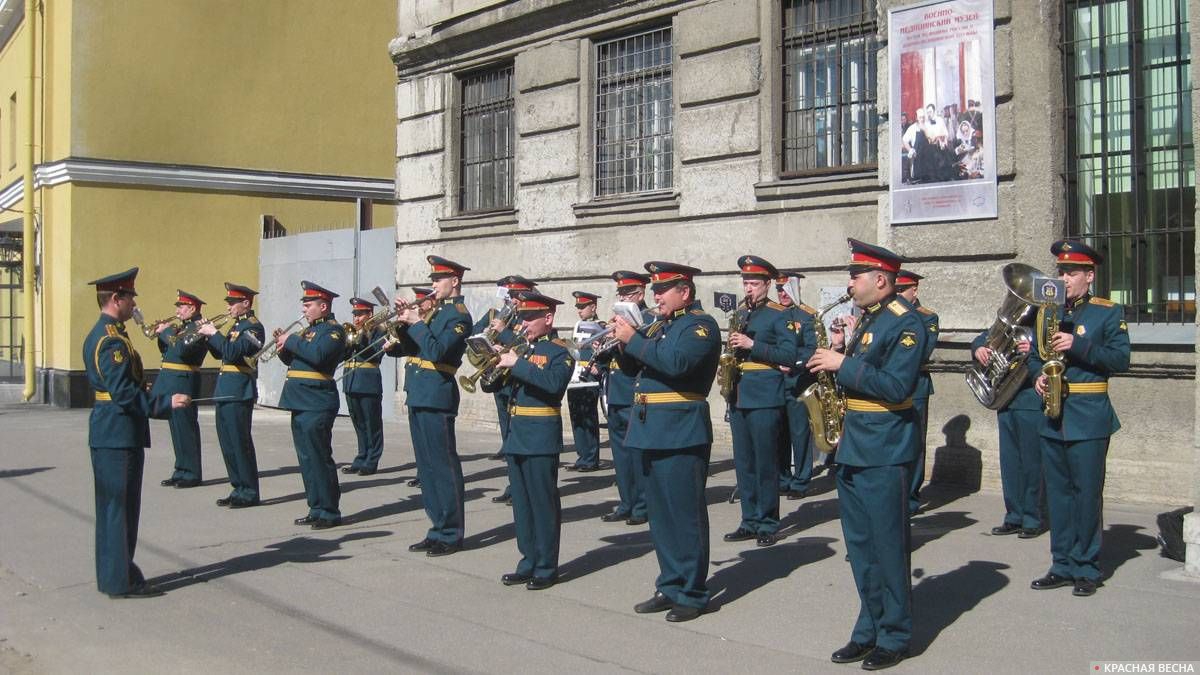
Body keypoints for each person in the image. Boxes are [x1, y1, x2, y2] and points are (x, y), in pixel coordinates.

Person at [807, 239, 926, 670]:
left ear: (881, 279)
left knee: (888, 545)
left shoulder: (908, 323)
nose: (850, 283)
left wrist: (843, 365)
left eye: (855, 276)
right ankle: (868, 627)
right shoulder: (870, 318)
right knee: (860, 546)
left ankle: (895, 635)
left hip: (885, 445)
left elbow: (896, 387)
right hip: (855, 443)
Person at [610, 261, 721, 623]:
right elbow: (634, 371)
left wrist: (635, 340)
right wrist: (620, 346)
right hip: (650, 428)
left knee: (683, 514)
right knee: (659, 515)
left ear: (684, 292)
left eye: (662, 290)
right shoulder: (659, 325)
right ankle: (670, 583)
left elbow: (677, 364)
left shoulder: (700, 325)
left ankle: (692, 591)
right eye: (654, 290)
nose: (655, 296)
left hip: (680, 429)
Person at [1029, 239, 1130, 597]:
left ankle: (1086, 567)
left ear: (1090, 275)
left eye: (1071, 272)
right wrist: (1037, 376)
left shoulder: (1107, 312)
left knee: (1086, 494)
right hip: (1053, 415)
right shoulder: (1047, 311)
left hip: (1088, 416)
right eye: (1061, 271)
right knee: (1057, 495)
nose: (1064, 278)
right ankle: (1062, 564)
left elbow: (1120, 360)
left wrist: (1079, 346)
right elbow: (1035, 355)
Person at [83, 267, 190, 598]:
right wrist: (164, 403)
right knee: (120, 509)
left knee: (115, 509)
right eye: (130, 297)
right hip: (117, 432)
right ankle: (121, 581)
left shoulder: (109, 333)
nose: (133, 303)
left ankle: (115, 575)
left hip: (113, 430)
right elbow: (123, 394)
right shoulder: (109, 340)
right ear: (117, 299)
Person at [487, 291, 573, 590]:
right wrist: (494, 362)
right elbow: (492, 386)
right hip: (516, 432)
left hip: (540, 434)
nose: (523, 323)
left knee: (542, 503)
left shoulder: (560, 351)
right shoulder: (520, 348)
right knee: (521, 506)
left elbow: (553, 385)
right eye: (521, 317)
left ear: (548, 318)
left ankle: (547, 567)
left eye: (529, 317)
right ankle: (528, 561)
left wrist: (517, 364)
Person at [393, 255, 474, 557]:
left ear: (454, 281)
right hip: (420, 392)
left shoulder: (458, 316)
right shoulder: (436, 313)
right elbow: (411, 347)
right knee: (426, 467)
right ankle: (436, 527)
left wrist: (416, 323)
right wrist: (405, 323)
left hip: (437, 393)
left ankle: (452, 532)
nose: (433, 285)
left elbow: (437, 350)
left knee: (443, 466)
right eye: (432, 279)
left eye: (438, 279)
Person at [723, 255, 799, 548]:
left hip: (765, 394)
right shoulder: (741, 314)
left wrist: (753, 345)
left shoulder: (780, 314)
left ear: (767, 284)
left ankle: (768, 522)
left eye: (754, 283)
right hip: (740, 393)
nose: (748, 288)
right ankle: (749, 520)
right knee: (744, 463)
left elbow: (790, 355)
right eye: (745, 283)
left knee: (766, 461)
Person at [277, 281, 346, 530]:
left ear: (323, 306)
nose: (304, 310)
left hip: (317, 401)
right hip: (300, 400)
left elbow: (318, 356)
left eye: (309, 306)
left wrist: (292, 341)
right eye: (304, 306)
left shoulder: (334, 332)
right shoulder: (307, 332)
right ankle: (315, 506)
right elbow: (296, 359)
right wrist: (284, 347)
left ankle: (329, 510)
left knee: (319, 456)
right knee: (306, 458)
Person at [594, 270, 655, 525]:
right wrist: (602, 347)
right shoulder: (616, 320)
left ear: (640, 294)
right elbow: (609, 360)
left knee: (638, 452)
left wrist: (625, 337)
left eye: (626, 293)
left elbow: (646, 354)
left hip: (637, 393)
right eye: (619, 293)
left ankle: (643, 505)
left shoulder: (650, 319)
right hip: (616, 392)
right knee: (620, 454)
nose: (621, 296)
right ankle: (626, 502)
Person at [972, 324, 1044, 539]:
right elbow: (985, 336)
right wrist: (978, 348)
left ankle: (1032, 517)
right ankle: (1014, 515)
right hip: (1006, 399)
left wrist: (1032, 351)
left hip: (1030, 399)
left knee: (1032, 462)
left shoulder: (1044, 323)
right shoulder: (1011, 323)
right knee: (1010, 462)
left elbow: (1053, 355)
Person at [199, 282, 266, 508]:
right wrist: (207, 337)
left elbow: (234, 353)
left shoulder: (254, 328)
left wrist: (214, 333)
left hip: (239, 390)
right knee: (227, 443)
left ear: (245, 303)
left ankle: (249, 491)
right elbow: (222, 354)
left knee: (240, 442)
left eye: (232, 303)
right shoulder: (237, 326)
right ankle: (238, 487)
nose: (228, 308)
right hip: (226, 389)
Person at [474, 275, 536, 504]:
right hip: (500, 382)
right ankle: (513, 486)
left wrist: (504, 333)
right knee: (508, 438)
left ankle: (522, 488)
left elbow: (529, 348)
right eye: (509, 296)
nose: (511, 301)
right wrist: (489, 346)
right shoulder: (495, 316)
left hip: (518, 385)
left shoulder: (530, 319)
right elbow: (474, 336)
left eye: (516, 297)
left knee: (520, 440)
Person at [153, 290, 209, 489]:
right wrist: (162, 335)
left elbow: (183, 350)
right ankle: (181, 469)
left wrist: (166, 332)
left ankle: (192, 472)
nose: (177, 310)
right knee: (176, 428)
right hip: (172, 380)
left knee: (186, 427)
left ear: (192, 308)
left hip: (184, 381)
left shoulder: (199, 327)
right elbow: (169, 351)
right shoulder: (182, 328)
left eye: (181, 306)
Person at [895, 269, 938, 515]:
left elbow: (921, 353)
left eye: (903, 290)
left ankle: (911, 495)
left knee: (915, 441)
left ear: (915, 290)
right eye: (896, 290)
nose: (899, 295)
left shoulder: (927, 318)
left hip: (916, 386)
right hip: (890, 387)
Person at [774, 271, 819, 499]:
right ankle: (783, 478)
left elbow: (812, 348)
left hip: (797, 381)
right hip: (775, 383)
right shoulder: (774, 314)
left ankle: (801, 480)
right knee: (779, 433)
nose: (781, 293)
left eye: (785, 289)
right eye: (778, 290)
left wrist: (793, 363)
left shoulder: (807, 316)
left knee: (799, 433)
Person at [340, 297, 388, 476]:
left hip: (368, 382)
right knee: (358, 423)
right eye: (355, 314)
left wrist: (362, 340)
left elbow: (376, 355)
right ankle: (361, 457)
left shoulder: (379, 330)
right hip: (351, 381)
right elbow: (344, 355)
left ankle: (372, 460)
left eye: (360, 314)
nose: (357, 319)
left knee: (371, 423)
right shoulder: (352, 331)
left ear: (370, 314)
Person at [567, 290, 602, 472]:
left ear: (593, 307)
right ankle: (582, 456)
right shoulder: (577, 325)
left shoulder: (601, 326)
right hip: (574, 375)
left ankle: (591, 458)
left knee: (588, 416)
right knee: (576, 417)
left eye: (583, 307)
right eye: (578, 307)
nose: (579, 310)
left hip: (589, 376)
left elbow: (602, 351)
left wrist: (598, 368)